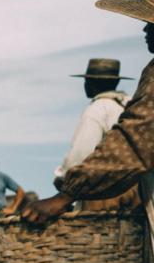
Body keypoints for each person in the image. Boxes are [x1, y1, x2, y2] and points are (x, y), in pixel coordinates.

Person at [22, 0, 154, 263]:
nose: (146, 33)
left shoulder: (100, 108)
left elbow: (132, 145)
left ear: (92, 83)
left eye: (151, 25)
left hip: (105, 188)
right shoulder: (121, 101)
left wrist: (65, 195)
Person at [53, 58, 132, 188]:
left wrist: (63, 177)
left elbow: (81, 154)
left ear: (90, 82)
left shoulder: (97, 109)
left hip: (109, 189)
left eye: (86, 80)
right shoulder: (132, 104)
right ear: (117, 81)